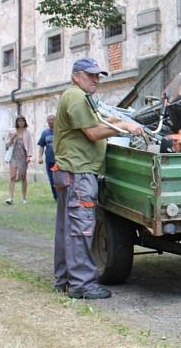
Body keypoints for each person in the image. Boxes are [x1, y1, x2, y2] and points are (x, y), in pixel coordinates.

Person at [52, 58, 142, 299]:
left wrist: (112, 121)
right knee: (81, 229)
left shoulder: (75, 96)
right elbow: (92, 133)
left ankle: (64, 279)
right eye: (90, 76)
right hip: (79, 173)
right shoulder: (77, 97)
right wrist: (124, 126)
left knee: (67, 228)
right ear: (76, 76)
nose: (95, 80)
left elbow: (90, 125)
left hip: (69, 172)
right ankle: (82, 285)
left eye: (97, 76)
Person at [5, 116, 33, 205]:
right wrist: (13, 137)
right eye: (19, 121)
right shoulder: (12, 131)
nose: (21, 123)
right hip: (13, 156)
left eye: (22, 121)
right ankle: (10, 198)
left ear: (25, 122)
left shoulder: (27, 132)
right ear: (16, 122)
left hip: (23, 157)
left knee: (23, 177)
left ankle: (24, 198)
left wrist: (29, 156)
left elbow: (30, 145)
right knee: (12, 176)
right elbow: (7, 144)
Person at [37, 114, 57, 200]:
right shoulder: (45, 133)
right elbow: (41, 146)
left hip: (59, 160)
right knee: (52, 179)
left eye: (52, 119)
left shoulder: (60, 131)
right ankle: (56, 196)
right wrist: (40, 157)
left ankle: (62, 196)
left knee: (59, 179)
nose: (50, 121)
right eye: (49, 120)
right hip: (49, 160)